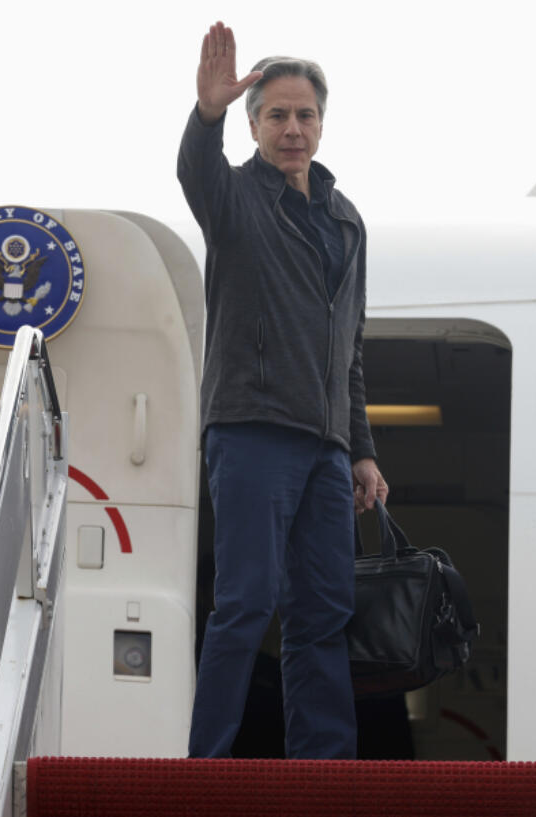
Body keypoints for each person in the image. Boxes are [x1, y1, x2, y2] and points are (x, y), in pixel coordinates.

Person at [177, 21, 388, 759]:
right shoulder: (233, 199)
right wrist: (205, 118)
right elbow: (194, 174)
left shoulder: (345, 221)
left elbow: (348, 348)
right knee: (245, 602)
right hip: (252, 430)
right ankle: (209, 761)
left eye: (304, 115)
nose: (292, 129)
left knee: (324, 611)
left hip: (327, 448)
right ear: (254, 122)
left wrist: (359, 449)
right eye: (276, 115)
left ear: (321, 124)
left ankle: (324, 769)